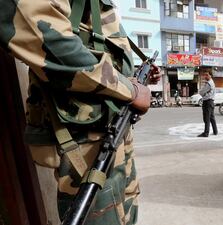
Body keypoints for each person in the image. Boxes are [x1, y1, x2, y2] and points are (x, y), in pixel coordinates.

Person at [0, 1, 160, 224]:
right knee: (98, 214)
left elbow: (102, 47)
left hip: (113, 129)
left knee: (124, 210)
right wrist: (131, 90)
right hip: (82, 138)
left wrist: (132, 79)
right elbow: (45, 36)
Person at [198, 71, 218, 137]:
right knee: (212, 118)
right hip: (211, 102)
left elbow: (201, 92)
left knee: (207, 118)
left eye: (207, 75)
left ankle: (206, 133)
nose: (205, 76)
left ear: (210, 75)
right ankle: (215, 131)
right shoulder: (212, 82)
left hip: (208, 102)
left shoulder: (209, 84)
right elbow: (203, 92)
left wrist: (203, 93)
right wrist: (204, 93)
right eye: (205, 75)